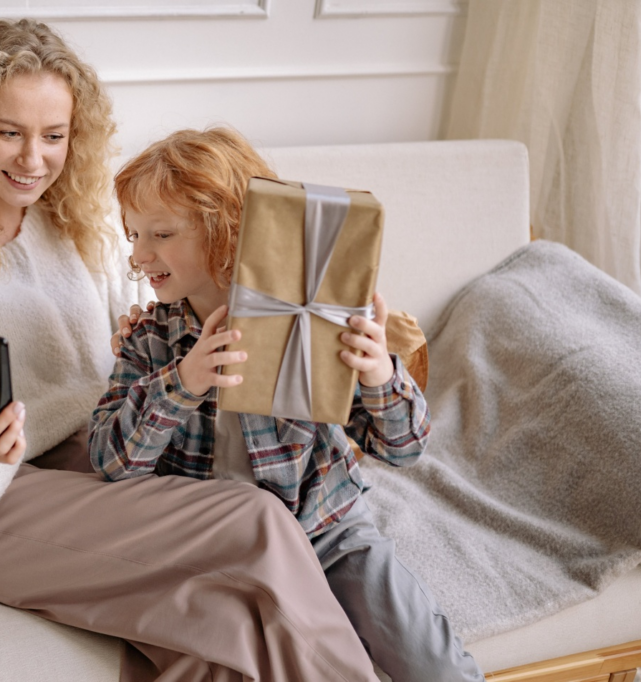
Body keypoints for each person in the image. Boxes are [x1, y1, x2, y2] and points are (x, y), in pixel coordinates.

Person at [0, 18, 382, 682]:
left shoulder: (83, 228)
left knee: (227, 634)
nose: (34, 159)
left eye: (54, 136)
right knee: (254, 519)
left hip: (94, 475)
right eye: (10, 132)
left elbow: (144, 353)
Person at [90, 127, 485, 682]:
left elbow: (405, 447)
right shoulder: (150, 340)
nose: (138, 254)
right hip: (221, 555)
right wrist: (184, 381)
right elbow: (109, 461)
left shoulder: (313, 318)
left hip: (327, 530)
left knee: (432, 661)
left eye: (160, 233)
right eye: (133, 234)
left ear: (228, 233)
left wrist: (376, 373)